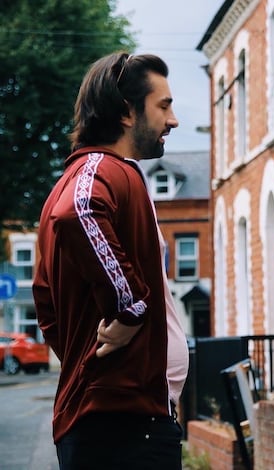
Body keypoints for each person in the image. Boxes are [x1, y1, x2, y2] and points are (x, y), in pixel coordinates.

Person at [33, 52, 188, 470]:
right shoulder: (99, 169)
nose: (172, 120)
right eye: (163, 106)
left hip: (127, 420)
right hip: (121, 425)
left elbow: (48, 307)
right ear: (125, 111)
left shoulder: (107, 174)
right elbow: (79, 211)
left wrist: (88, 351)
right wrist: (132, 306)